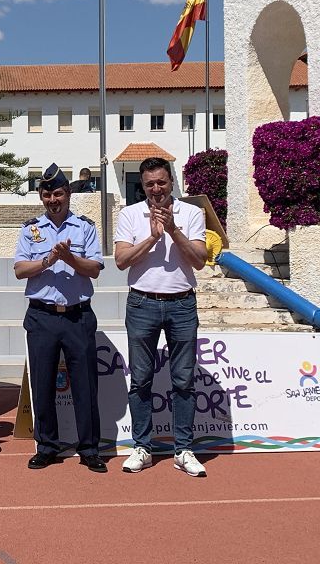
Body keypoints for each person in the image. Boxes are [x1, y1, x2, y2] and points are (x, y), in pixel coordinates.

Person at [115, 157, 207, 478]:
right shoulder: (129, 214)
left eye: (162, 182)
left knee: (183, 380)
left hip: (182, 304)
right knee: (141, 378)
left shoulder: (192, 213)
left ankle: (183, 449)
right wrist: (153, 237)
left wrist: (172, 231)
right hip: (142, 303)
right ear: (143, 186)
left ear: (172, 183)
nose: (156, 189)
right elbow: (121, 261)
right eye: (150, 184)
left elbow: (200, 261)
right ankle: (142, 446)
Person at [14, 164, 106, 473]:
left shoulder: (84, 227)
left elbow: (94, 269)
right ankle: (47, 446)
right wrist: (49, 259)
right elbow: (19, 270)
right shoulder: (30, 229)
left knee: (85, 386)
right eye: (48, 194)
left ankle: (90, 448)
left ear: (68, 194)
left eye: (59, 194)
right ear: (41, 196)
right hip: (42, 316)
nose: (54, 199)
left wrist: (69, 258)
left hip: (78, 316)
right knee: (42, 386)